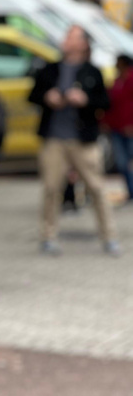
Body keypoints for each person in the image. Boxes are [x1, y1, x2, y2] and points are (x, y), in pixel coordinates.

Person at [28, 25, 119, 256]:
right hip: (54, 139)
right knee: (51, 189)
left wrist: (85, 100)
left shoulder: (92, 71)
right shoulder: (50, 69)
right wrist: (47, 97)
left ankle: (109, 237)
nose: (66, 39)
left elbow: (105, 102)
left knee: (97, 188)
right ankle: (48, 237)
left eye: (71, 36)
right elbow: (32, 95)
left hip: (83, 140)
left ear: (83, 44)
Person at [104, 54, 133, 201]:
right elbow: (111, 104)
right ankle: (131, 191)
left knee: (130, 162)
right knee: (122, 163)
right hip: (117, 128)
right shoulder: (116, 81)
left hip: (129, 128)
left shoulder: (130, 80)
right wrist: (105, 122)